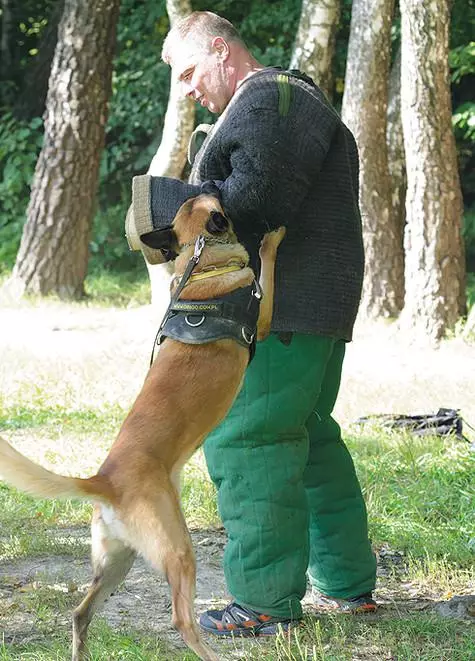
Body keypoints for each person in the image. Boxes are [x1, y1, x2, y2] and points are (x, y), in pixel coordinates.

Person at [126, 10, 377, 636]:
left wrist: (172, 206)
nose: (187, 88)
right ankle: (348, 588)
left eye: (189, 73)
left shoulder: (272, 98)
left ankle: (263, 604)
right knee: (309, 438)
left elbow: (258, 200)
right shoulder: (280, 103)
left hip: (279, 307)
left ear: (220, 50)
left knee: (250, 439)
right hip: (305, 306)